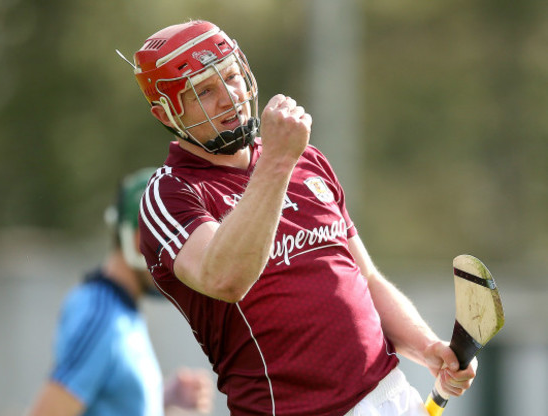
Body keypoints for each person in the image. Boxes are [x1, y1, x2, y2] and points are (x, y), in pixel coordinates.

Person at [124, 20, 479, 416]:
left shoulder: (305, 158)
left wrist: (428, 347)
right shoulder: (169, 193)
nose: (229, 98)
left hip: (391, 395)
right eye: (204, 91)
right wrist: (276, 161)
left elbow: (366, 278)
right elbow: (224, 279)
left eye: (231, 77)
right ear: (166, 112)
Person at [27, 167, 214, 416]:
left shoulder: (119, 309)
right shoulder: (103, 316)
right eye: (174, 243)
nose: (179, 259)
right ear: (140, 241)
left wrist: (163, 397)